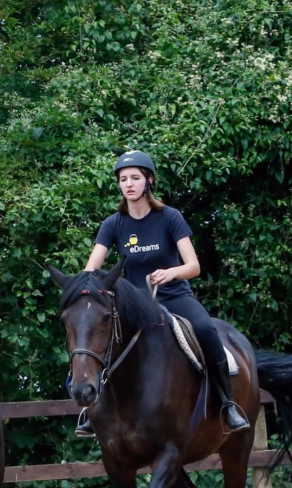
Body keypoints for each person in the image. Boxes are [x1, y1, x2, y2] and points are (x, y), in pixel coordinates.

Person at [78, 149, 250, 438]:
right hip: (134, 304)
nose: (128, 184)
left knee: (206, 329)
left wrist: (171, 272)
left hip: (174, 296)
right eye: (123, 179)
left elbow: (194, 266)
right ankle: (89, 409)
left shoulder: (170, 217)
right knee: (92, 335)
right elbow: (90, 271)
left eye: (135, 178)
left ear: (149, 181)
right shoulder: (112, 224)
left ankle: (227, 403)